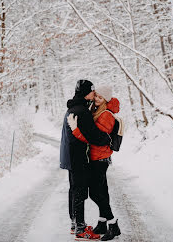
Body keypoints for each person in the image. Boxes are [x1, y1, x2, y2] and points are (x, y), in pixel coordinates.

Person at [67, 85, 121, 241]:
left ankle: (113, 225)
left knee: (95, 193)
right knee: (102, 191)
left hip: (99, 158)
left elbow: (96, 139)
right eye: (96, 96)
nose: (97, 99)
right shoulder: (97, 111)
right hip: (97, 158)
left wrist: (76, 130)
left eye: (100, 97)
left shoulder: (106, 115)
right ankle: (103, 222)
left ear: (106, 99)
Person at [60, 80, 111, 241]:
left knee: (74, 189)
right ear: (84, 93)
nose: (94, 94)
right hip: (78, 157)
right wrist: (108, 139)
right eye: (92, 91)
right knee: (80, 191)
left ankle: (75, 224)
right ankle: (81, 230)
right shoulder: (82, 111)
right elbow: (93, 135)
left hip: (70, 156)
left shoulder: (73, 108)